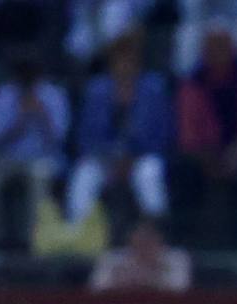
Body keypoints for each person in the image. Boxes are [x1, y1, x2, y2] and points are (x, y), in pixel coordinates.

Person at [174, 26, 237, 245]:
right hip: (205, 154)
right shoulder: (194, 80)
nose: (218, 52)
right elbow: (188, 131)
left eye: (223, 46)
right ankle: (187, 242)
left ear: (233, 48)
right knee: (183, 171)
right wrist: (209, 159)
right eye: (212, 47)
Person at [66, 33, 174, 227]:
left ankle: (157, 233)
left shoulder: (153, 89)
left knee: (149, 174)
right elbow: (84, 137)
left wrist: (133, 158)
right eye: (120, 60)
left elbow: (163, 134)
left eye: (130, 59)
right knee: (84, 175)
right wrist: (109, 159)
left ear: (138, 62)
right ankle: (78, 234)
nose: (125, 65)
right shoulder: (96, 90)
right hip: (104, 159)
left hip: (141, 158)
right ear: (111, 62)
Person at [0, 49, 72, 245]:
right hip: (8, 158)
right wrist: (20, 119)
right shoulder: (3, 95)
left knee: (38, 177)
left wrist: (42, 115)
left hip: (44, 158)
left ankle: (33, 239)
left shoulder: (53, 95)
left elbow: (59, 140)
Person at [89, 210, 192, 288]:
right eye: (140, 236)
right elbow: (97, 287)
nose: (144, 241)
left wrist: (150, 276)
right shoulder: (111, 259)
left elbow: (180, 288)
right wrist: (123, 278)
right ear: (130, 238)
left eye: (149, 236)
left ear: (160, 238)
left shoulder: (177, 258)